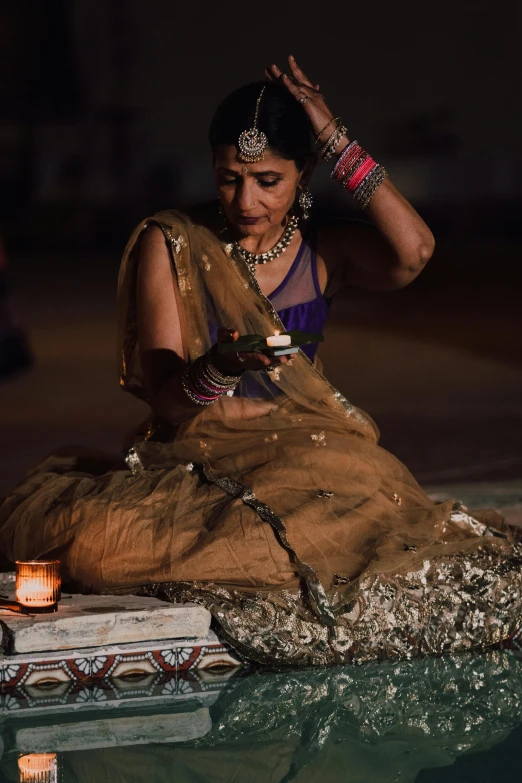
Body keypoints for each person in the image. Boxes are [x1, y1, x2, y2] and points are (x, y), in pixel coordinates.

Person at [1, 58, 521, 666]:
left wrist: (332, 134)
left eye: (268, 179)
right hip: (197, 462)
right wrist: (220, 365)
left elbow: (415, 251)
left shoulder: (326, 249)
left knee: (364, 523)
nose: (246, 200)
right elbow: (167, 400)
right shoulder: (171, 243)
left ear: (304, 175)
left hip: (308, 456)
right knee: (93, 545)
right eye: (229, 177)